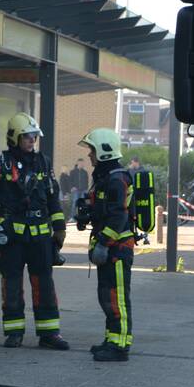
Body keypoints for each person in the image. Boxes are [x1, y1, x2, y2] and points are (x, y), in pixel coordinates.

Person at [0, 112, 69, 350]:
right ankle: (14, 332)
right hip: (12, 237)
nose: (32, 141)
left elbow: (52, 198)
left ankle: (49, 334)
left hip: (40, 236)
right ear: (14, 137)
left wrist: (59, 228)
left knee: (44, 284)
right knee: (12, 284)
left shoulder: (44, 162)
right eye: (27, 137)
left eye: (34, 137)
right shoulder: (0, 165)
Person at [78, 128, 134, 362]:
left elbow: (118, 217)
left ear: (103, 151)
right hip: (109, 248)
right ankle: (111, 338)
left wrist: (103, 242)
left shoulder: (117, 179)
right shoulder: (105, 177)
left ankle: (120, 346)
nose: (89, 154)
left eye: (92, 150)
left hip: (117, 249)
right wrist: (87, 214)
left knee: (117, 297)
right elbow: (104, 210)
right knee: (106, 296)